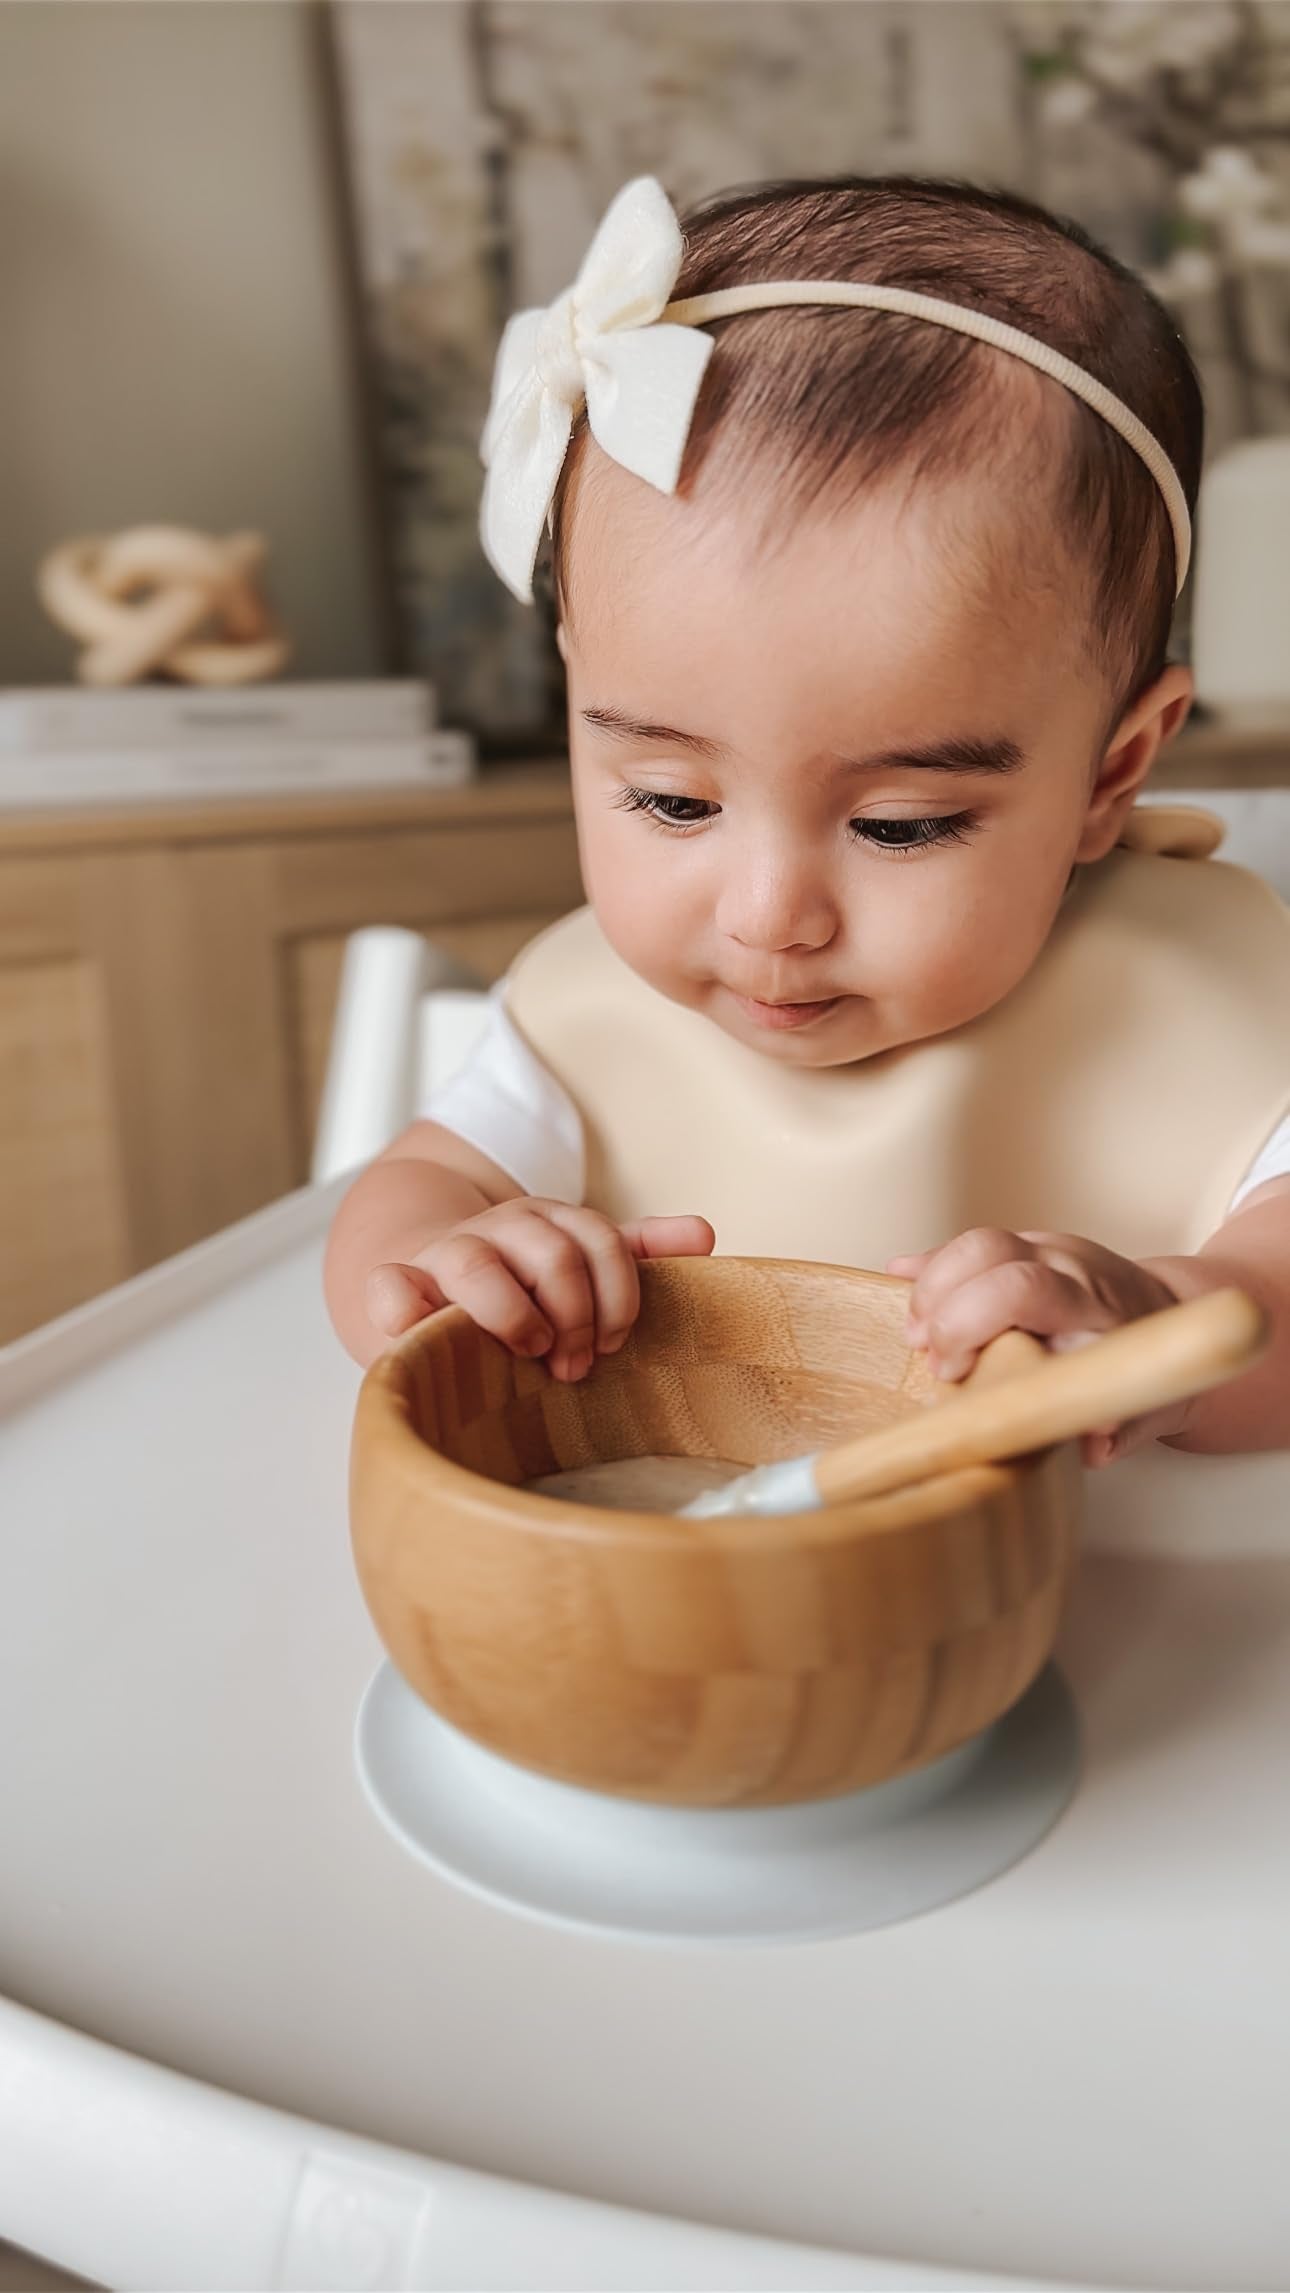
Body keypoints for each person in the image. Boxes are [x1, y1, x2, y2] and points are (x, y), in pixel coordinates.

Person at [325, 173, 1290, 1464]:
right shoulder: (590, 1022)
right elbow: (406, 1199)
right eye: (672, 800)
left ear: (1110, 774)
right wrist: (444, 1265)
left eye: (897, 824)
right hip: (671, 1598)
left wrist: (1160, 1334)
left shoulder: (1206, 1004)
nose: (767, 913)